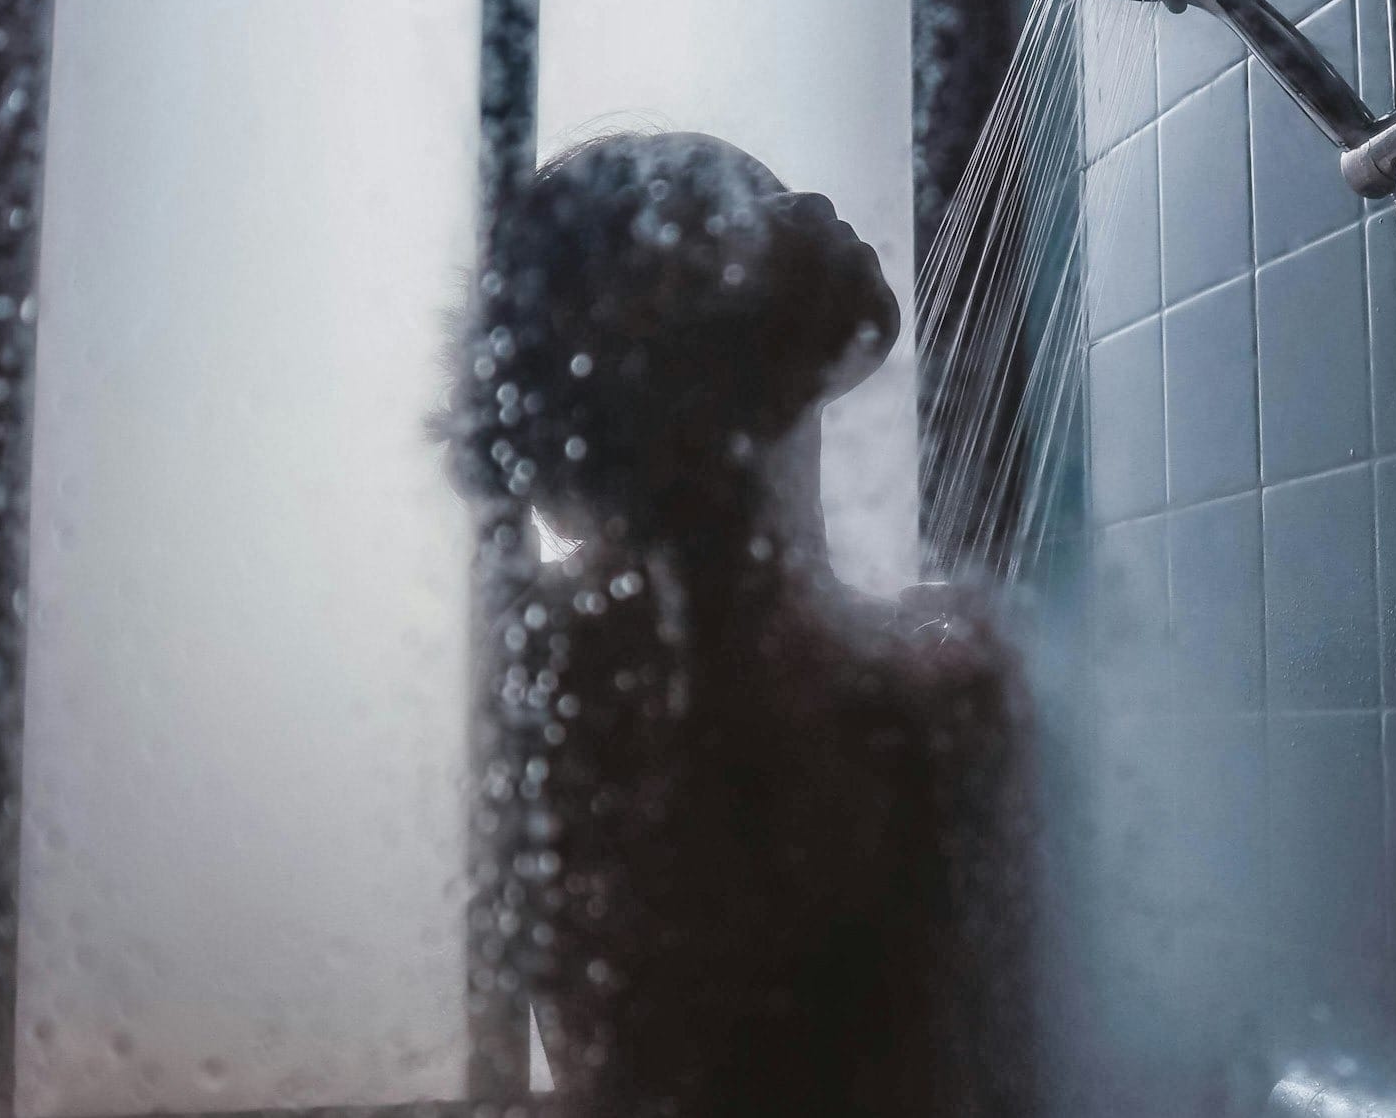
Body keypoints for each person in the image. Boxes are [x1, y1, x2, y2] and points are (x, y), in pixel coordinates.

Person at [441, 132, 1035, 1117]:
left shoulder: (892, 665)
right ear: (655, 330)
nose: (808, 204)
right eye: (738, 201)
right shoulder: (601, 661)